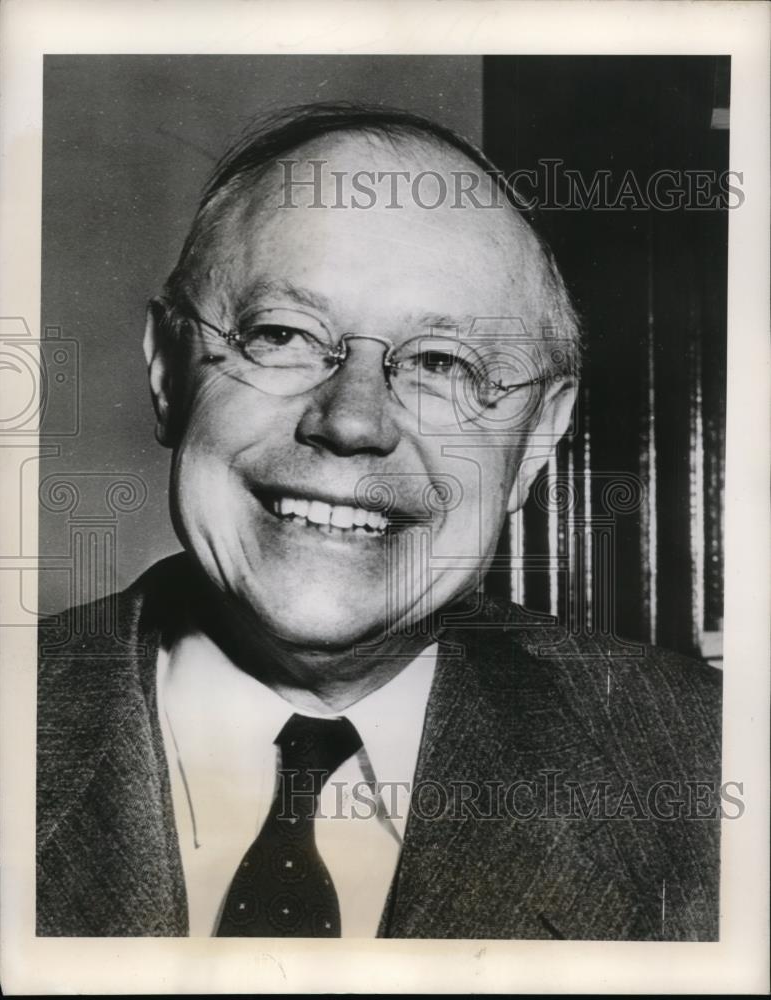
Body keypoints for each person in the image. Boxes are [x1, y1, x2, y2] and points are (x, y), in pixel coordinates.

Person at [37, 103, 722, 940]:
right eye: (283, 334)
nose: (353, 420)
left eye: (443, 363)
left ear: (539, 438)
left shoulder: (712, 771)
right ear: (167, 371)